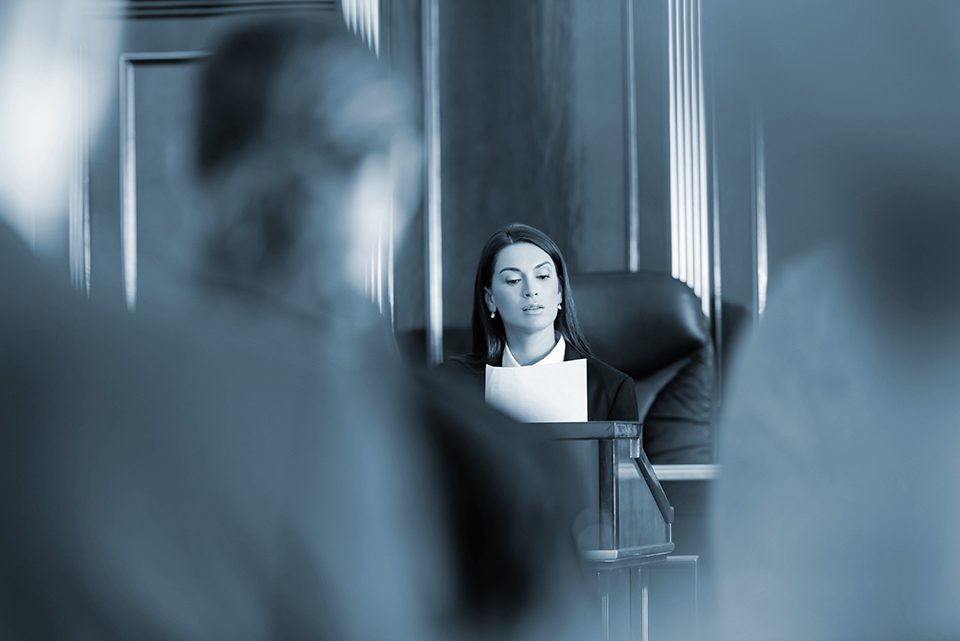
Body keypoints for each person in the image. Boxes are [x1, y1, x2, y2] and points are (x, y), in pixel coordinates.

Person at [445, 223, 639, 422]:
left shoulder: (611, 389)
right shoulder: (454, 383)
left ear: (560, 292)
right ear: (490, 299)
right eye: (513, 280)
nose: (531, 290)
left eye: (543, 276)